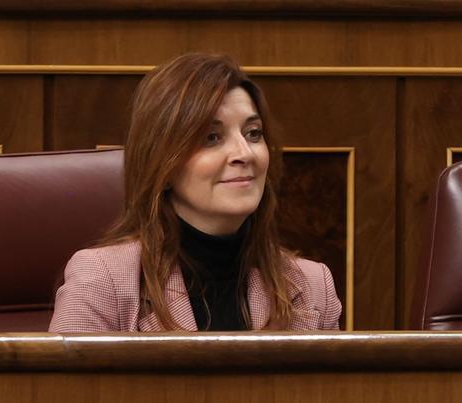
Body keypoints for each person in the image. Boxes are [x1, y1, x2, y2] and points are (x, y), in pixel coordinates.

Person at [50, 53, 341, 332]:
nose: (244, 153)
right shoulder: (102, 280)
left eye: (253, 133)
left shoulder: (314, 286)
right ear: (162, 165)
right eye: (211, 137)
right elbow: (66, 386)